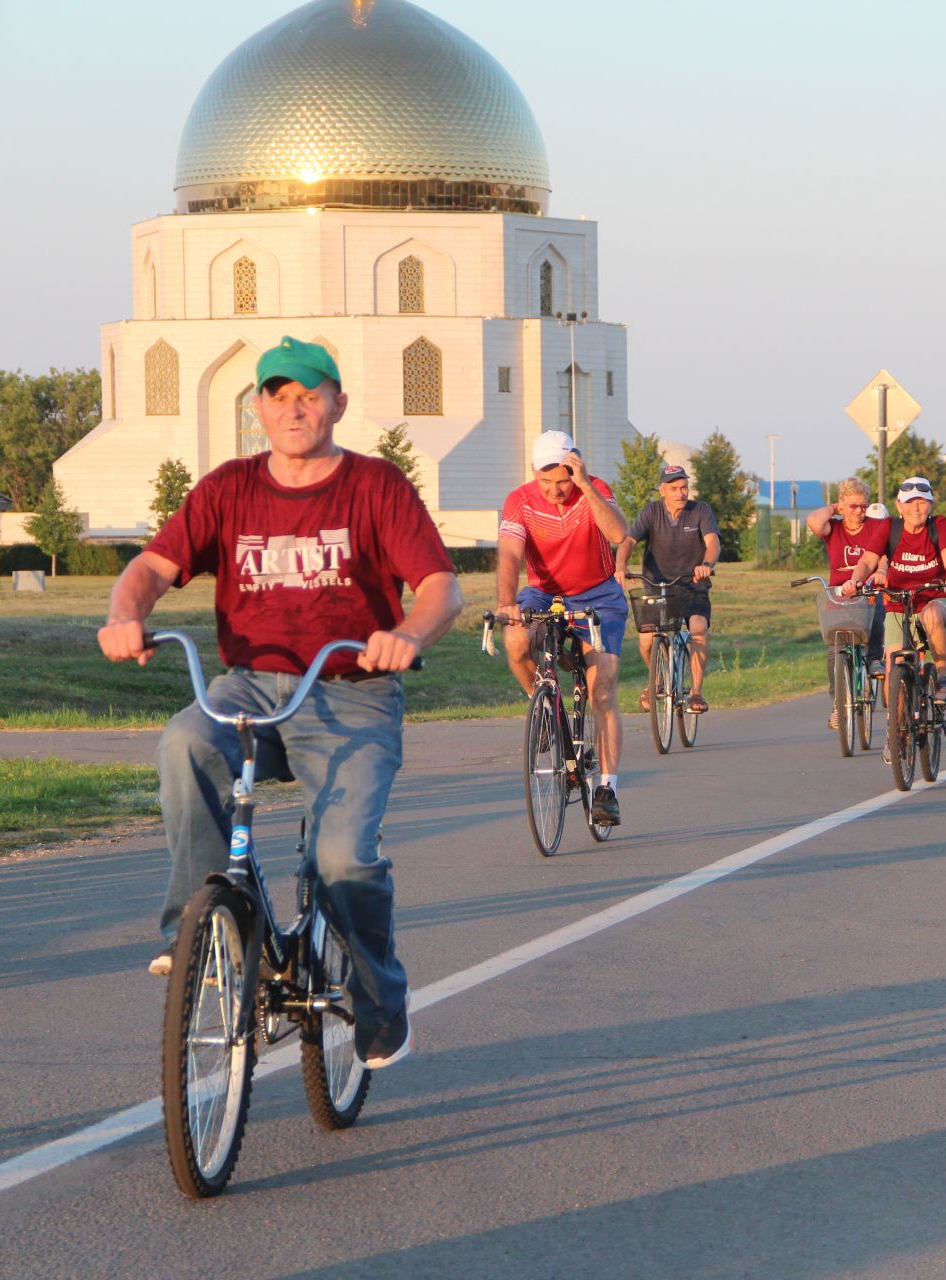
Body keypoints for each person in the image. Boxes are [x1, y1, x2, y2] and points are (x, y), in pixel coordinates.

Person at [98, 336, 462, 1070]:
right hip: (248, 685)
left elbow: (441, 587)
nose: (294, 408)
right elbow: (150, 567)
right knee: (185, 740)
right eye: (278, 395)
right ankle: (200, 930)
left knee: (342, 859)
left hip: (351, 693)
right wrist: (124, 615)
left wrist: (407, 632)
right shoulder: (227, 488)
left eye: (310, 394)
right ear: (257, 407)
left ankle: (380, 998)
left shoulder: (375, 486)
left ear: (337, 402)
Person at [497, 430, 630, 825]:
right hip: (544, 592)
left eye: (563, 480)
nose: (555, 490)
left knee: (601, 690)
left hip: (598, 595)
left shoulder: (594, 489)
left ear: (576, 468)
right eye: (545, 481)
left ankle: (606, 788)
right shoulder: (520, 502)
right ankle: (544, 710)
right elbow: (509, 554)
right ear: (533, 473)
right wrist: (506, 601)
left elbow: (619, 534)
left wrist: (585, 485)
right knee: (516, 639)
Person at [616, 463, 720, 713]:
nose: (680, 493)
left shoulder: (700, 510)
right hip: (657, 586)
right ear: (662, 490)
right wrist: (621, 565)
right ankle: (657, 679)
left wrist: (706, 564)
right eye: (674, 488)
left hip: (692, 585)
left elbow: (712, 541)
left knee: (697, 629)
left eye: (684, 487)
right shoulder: (651, 512)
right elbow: (629, 540)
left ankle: (695, 692)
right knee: (646, 638)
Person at [867, 476, 946, 704]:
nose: (916, 508)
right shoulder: (890, 527)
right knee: (893, 670)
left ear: (931, 504)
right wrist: (855, 580)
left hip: (935, 598)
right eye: (910, 502)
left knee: (931, 615)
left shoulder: (939, 525)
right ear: (899, 505)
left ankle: (943, 678)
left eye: (921, 502)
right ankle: (897, 734)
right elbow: (867, 560)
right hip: (898, 604)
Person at [805, 477, 889, 728]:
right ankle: (837, 704)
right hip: (838, 593)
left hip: (867, 589)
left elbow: (883, 554)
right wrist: (834, 508)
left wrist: (881, 571)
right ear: (842, 504)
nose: (859, 511)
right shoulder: (834, 528)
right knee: (834, 651)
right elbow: (813, 521)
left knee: (877, 610)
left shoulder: (875, 526)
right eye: (853, 506)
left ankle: (874, 657)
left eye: (863, 506)